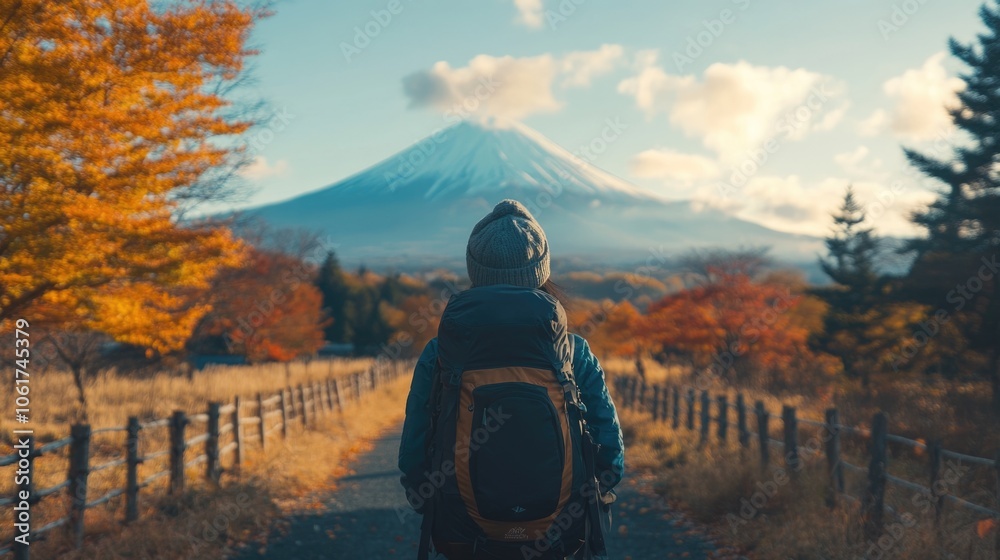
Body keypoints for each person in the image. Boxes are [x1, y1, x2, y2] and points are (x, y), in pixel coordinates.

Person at [398, 199, 625, 560]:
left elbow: (413, 450)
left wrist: (428, 499)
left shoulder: (440, 351)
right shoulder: (573, 350)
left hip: (463, 531)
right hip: (559, 533)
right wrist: (597, 495)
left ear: (476, 270)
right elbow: (610, 449)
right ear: (540, 270)